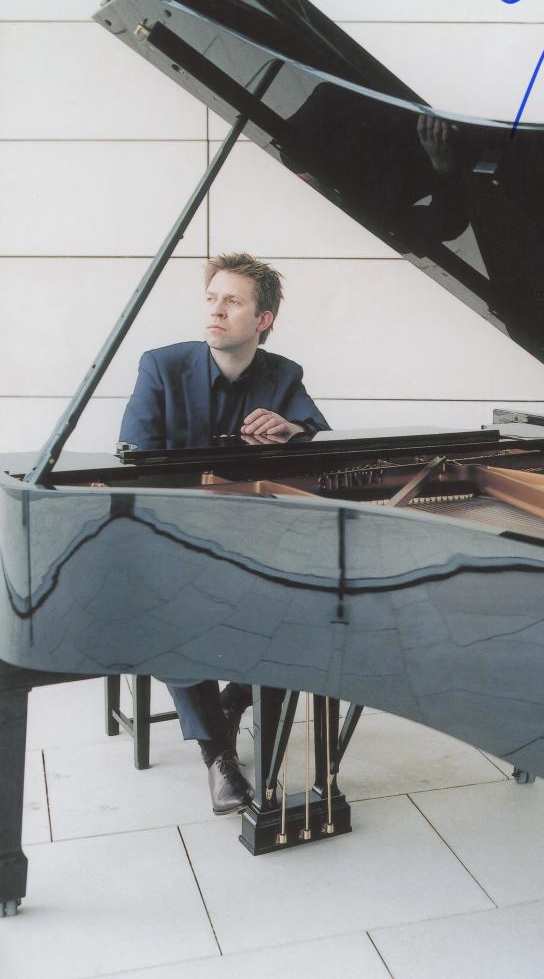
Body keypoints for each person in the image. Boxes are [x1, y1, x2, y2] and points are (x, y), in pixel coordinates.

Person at [119, 252, 329, 814]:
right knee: (168, 616)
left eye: (232, 301)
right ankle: (217, 755)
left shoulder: (283, 374)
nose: (215, 310)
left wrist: (292, 428)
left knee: (301, 602)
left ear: (263, 319)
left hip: (252, 538)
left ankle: (239, 695)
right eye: (211, 298)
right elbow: (135, 456)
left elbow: (318, 439)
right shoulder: (162, 367)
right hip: (174, 537)